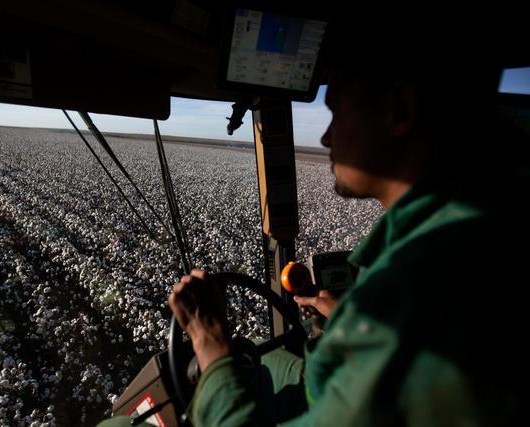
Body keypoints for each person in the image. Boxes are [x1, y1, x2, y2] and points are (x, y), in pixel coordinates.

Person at [167, 14, 528, 427]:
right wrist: (343, 316)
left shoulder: (419, 292)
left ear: (399, 111)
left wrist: (210, 342)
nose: (325, 138)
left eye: (336, 110)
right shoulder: (490, 218)